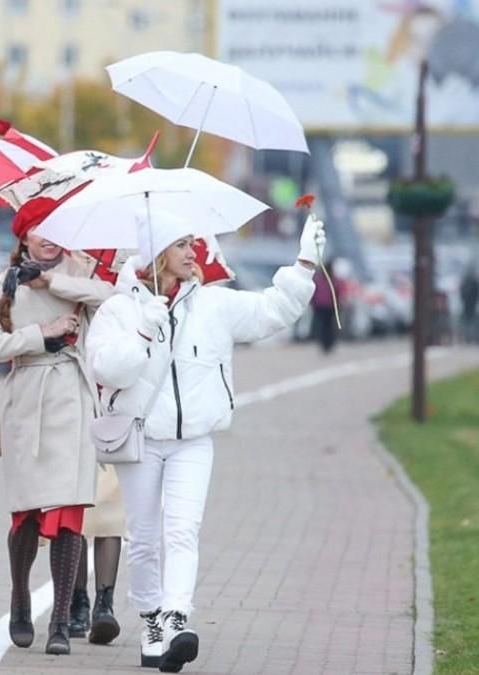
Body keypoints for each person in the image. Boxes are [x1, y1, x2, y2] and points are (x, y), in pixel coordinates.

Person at [86, 212, 325, 673]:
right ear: (156, 253)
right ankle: (151, 619)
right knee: (144, 540)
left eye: (192, 243)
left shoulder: (213, 305)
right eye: (181, 244)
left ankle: (176, 620)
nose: (193, 251)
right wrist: (142, 331)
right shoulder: (120, 309)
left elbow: (271, 311)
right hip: (141, 439)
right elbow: (107, 370)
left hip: (193, 439)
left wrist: (303, 267)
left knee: (182, 530)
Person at [0, 197, 114, 656]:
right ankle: (19, 597)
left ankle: (59, 620)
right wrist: (43, 333)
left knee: (70, 510)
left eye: (57, 228)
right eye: (39, 228)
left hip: (74, 397)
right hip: (27, 396)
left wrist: (54, 281)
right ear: (24, 234)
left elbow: (112, 300)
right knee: (28, 514)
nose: (48, 237)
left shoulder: (79, 277)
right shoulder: (4, 285)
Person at [67, 469, 125, 645]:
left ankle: (103, 604)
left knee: (110, 508)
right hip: (71, 444)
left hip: (111, 444)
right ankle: (78, 601)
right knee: (74, 508)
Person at [310, 258, 341, 354]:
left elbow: (314, 293)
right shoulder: (331, 280)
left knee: (324, 326)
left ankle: (326, 344)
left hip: (322, 306)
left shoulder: (319, 280)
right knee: (328, 326)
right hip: (327, 306)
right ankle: (327, 344)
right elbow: (337, 293)